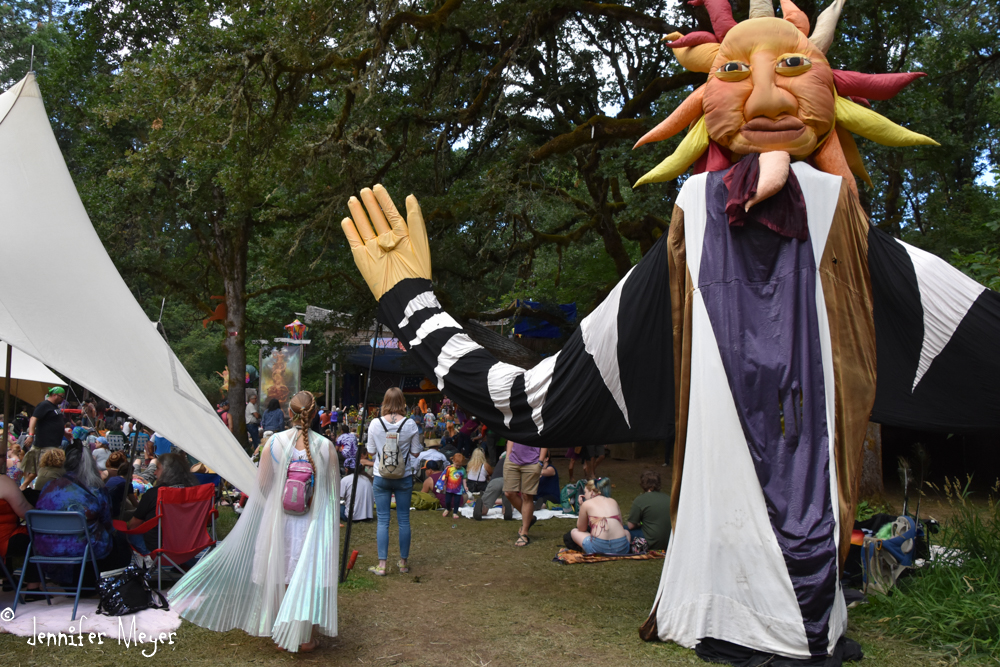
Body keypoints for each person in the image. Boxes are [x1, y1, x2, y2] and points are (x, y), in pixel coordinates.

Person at [168, 390, 340, 653]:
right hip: (311, 521)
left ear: (289, 413)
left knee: (280, 571)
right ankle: (305, 637)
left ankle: (281, 631)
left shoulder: (273, 443)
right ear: (316, 413)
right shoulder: (326, 447)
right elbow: (332, 491)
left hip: (279, 518)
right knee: (306, 574)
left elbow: (261, 486)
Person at [23, 443, 132, 587]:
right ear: (90, 464)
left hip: (46, 549)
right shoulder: (96, 489)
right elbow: (107, 522)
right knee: (120, 539)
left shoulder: (48, 487)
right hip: (85, 551)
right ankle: (114, 586)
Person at [366, 387, 420, 576]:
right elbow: (415, 452)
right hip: (403, 476)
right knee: (404, 520)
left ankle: (382, 565)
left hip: (381, 476)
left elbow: (371, 452)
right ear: (403, 402)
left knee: (383, 520)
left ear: (385, 402)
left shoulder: (375, 423)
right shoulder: (410, 424)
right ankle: (403, 563)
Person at [126, 452, 202, 554]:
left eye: (157, 468)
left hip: (158, 550)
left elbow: (133, 525)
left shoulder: (154, 494)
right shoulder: (196, 493)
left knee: (124, 533)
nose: (154, 473)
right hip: (191, 547)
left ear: (167, 471)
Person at [569, 480, 631, 555]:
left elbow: (581, 528)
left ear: (591, 492)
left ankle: (589, 548)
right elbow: (620, 525)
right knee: (626, 532)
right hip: (621, 548)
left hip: (599, 549)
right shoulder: (613, 501)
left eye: (585, 492)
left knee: (574, 531)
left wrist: (581, 506)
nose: (585, 495)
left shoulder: (586, 504)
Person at [503, 441, 546, 546]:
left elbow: (545, 439)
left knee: (527, 496)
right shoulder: (516, 423)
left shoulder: (539, 423)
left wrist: (540, 461)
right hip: (512, 460)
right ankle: (529, 517)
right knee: (509, 493)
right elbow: (510, 438)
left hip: (533, 462)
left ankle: (524, 534)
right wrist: (507, 457)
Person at [627, 471, 672, 551]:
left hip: (650, 540)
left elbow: (631, 526)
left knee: (622, 529)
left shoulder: (640, 500)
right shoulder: (669, 498)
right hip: (669, 540)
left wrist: (639, 524)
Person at [0, 475, 30, 582]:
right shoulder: (3, 482)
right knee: (37, 536)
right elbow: (25, 512)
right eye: (2, 457)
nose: (4, 460)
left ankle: (7, 578)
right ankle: (33, 586)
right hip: (4, 542)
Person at [24, 386, 66, 453]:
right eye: (62, 396)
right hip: (45, 445)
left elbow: (54, 422)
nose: (63, 399)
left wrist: (64, 433)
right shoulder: (44, 405)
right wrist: (31, 435)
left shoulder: (54, 406)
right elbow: (33, 419)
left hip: (54, 444)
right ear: (55, 395)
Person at [438, 452, 466, 519]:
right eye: (457, 465)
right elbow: (445, 477)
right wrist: (443, 485)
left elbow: (464, 478)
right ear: (453, 461)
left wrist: (465, 486)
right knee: (447, 501)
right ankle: (448, 509)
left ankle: (455, 512)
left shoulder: (463, 470)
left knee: (457, 501)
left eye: (460, 465)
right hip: (449, 488)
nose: (458, 467)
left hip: (458, 489)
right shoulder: (449, 468)